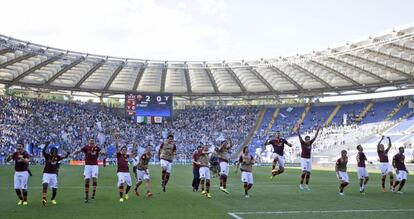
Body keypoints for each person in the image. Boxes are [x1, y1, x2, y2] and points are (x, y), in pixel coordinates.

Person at [73, 138, 102, 203]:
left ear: (94, 142)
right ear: (89, 142)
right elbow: (80, 150)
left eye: (93, 141)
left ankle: (93, 193)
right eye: (91, 141)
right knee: (87, 180)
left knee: (94, 179)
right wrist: (74, 152)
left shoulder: (97, 148)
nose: (92, 142)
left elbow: (101, 152)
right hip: (87, 166)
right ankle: (86, 196)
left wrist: (103, 153)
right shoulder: (86, 147)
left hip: (95, 166)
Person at [41, 142, 70, 207]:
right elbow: (43, 151)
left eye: (55, 151)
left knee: (54, 190)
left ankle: (52, 199)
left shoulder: (57, 157)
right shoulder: (47, 156)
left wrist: (67, 154)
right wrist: (46, 145)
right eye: (53, 151)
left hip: (53, 174)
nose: (54, 152)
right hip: (46, 173)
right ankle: (44, 200)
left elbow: (64, 157)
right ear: (51, 151)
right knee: (45, 185)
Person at [114, 133, 136, 202]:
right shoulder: (119, 155)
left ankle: (126, 193)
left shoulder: (127, 155)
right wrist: (116, 139)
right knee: (122, 183)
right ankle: (121, 197)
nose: (124, 150)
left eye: (125, 149)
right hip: (120, 172)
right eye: (123, 149)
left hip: (127, 172)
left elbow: (132, 152)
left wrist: (134, 145)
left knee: (129, 184)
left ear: (126, 150)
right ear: (121, 150)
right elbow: (117, 146)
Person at [6, 141, 30, 206]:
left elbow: (27, 162)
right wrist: (9, 156)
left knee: (23, 188)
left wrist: (22, 158)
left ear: (23, 147)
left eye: (20, 146)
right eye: (18, 146)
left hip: (24, 172)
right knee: (16, 188)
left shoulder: (25, 153)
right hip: (17, 172)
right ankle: (20, 199)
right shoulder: (15, 153)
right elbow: (7, 160)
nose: (19, 147)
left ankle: (25, 200)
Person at [297, 126, 320, 190]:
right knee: (304, 172)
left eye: (309, 139)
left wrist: (318, 130)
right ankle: (301, 184)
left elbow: (315, 137)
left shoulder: (310, 143)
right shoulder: (302, 143)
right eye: (307, 139)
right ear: (305, 140)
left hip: (309, 159)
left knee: (309, 172)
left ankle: (306, 185)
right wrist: (298, 131)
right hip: (303, 158)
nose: (308, 140)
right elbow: (300, 137)